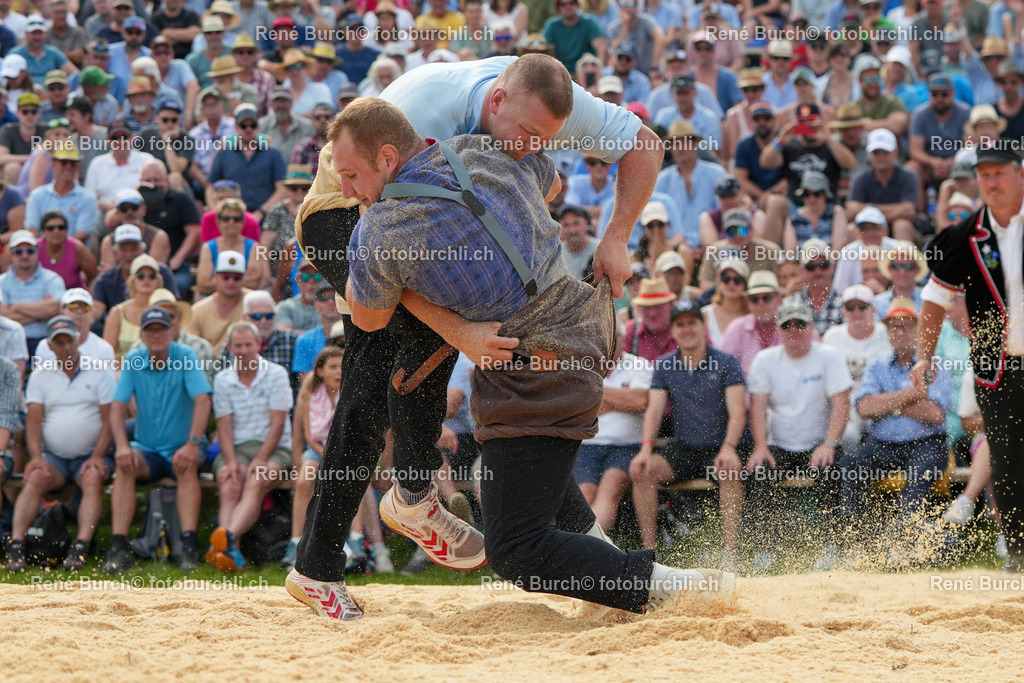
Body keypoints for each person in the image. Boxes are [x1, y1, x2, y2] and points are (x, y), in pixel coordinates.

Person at [296, 97, 731, 621]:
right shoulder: (480, 148)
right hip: (581, 335)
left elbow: (367, 321)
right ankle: (413, 501)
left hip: (533, 370)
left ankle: (686, 588)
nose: (345, 192)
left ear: (388, 158)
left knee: (518, 550)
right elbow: (550, 183)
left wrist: (407, 278)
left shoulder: (382, 230)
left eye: (349, 175)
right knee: (536, 485)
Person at [912, 143, 1024, 572]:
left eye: (999, 173)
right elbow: (935, 298)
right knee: (1008, 459)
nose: (991, 182)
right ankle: (1018, 554)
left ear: (1019, 175)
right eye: (984, 175)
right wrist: (924, 356)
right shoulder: (962, 238)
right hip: (997, 369)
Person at [630, 299, 745, 569]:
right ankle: (650, 555)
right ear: (673, 330)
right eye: (680, 324)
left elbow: (739, 412)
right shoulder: (665, 364)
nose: (687, 329)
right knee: (642, 471)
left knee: (730, 470)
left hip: (719, 447)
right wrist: (646, 448)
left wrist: (729, 448)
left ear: (702, 325)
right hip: (684, 448)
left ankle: (730, 555)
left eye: (692, 322)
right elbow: (654, 411)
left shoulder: (726, 362)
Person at [745, 298, 852, 573]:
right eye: (787, 325)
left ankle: (833, 545)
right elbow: (757, 407)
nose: (794, 330)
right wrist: (760, 447)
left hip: (819, 443)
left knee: (832, 470)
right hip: (779, 444)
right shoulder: (765, 360)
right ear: (778, 329)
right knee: (758, 471)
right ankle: (765, 548)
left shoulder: (829, 356)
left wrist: (829, 443)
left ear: (811, 326)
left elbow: (842, 402)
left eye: (800, 324)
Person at [103, 306, 212, 574]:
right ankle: (118, 546)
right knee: (125, 466)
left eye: (161, 328)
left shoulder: (185, 355)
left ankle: (188, 547)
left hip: (184, 445)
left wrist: (192, 443)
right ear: (141, 333)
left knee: (185, 466)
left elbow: (203, 399)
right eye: (150, 329)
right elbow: (116, 407)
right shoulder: (133, 359)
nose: (156, 334)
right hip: (147, 449)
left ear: (172, 331)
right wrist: (121, 447)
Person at [5, 316, 114, 572]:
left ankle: (81, 547)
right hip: (53, 457)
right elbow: (33, 422)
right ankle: (17, 545)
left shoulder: (100, 370)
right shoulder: (41, 375)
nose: (65, 346)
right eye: (59, 342)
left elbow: (111, 419)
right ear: (50, 346)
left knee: (92, 478)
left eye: (69, 340)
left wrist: (98, 455)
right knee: (34, 478)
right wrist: (37, 458)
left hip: (91, 453)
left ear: (78, 341)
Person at [850, 298, 951, 554]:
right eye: (894, 326)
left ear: (917, 328)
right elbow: (864, 409)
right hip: (882, 445)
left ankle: (919, 544)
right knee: (851, 461)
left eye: (906, 326)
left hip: (926, 445)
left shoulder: (933, 364)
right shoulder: (877, 364)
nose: (899, 331)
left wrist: (887, 401)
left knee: (913, 497)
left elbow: (936, 413)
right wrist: (913, 394)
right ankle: (858, 543)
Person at [206, 321, 293, 572]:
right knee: (228, 478)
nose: (243, 350)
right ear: (229, 347)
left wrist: (261, 458)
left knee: (257, 478)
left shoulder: (275, 374)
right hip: (237, 446)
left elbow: (278, 425)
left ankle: (225, 543)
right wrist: (232, 461)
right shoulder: (223, 379)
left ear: (258, 345)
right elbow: (224, 426)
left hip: (276, 447)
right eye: (238, 345)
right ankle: (230, 554)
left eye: (248, 344)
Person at [575, 323, 651, 532]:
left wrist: (596, 390)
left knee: (611, 485)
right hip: (587, 445)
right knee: (584, 493)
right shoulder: (583, 365)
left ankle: (590, 548)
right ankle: (580, 547)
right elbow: (578, 407)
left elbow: (639, 401)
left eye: (612, 335)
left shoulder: (640, 365)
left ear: (623, 340)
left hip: (627, 446)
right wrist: (620, 397)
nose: (606, 341)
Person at [285, 345, 346, 570]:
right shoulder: (311, 395)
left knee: (348, 479)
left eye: (342, 366)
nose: (338, 372)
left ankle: (352, 543)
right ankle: (296, 541)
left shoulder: (349, 393)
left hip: (344, 450)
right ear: (320, 371)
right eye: (332, 367)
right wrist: (321, 458)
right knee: (304, 481)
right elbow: (308, 437)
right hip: (318, 449)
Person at [0, 229, 65, 354]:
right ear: (11, 254)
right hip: (8, 342)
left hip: (45, 342)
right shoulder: (1, 281)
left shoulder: (52, 279)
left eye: (29, 251)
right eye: (19, 252)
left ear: (37, 252)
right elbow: (1, 316)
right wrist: (40, 312)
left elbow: (55, 308)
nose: (24, 256)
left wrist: (15, 306)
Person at [102, 253, 163, 359]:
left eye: (152, 276)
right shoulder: (117, 312)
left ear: (158, 281)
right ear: (132, 280)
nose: (146, 280)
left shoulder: (165, 311)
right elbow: (108, 355)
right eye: (141, 276)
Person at [185, 249, 250, 349]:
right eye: (225, 276)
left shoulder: (255, 303)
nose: (231, 282)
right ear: (215, 276)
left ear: (244, 278)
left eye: (237, 277)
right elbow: (189, 347)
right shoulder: (197, 311)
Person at [35, 287, 115, 363]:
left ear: (92, 314)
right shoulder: (45, 347)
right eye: (73, 306)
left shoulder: (104, 349)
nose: (79, 311)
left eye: (85, 307)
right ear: (62, 312)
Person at [35, 208, 96, 290]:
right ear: (43, 232)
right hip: (42, 298)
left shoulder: (77, 247)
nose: (56, 231)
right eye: (50, 228)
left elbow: (94, 276)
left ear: (66, 230)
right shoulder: (33, 248)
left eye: (61, 227)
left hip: (73, 298)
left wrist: (88, 297)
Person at [275, 258, 322, 333]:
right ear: (297, 280)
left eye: (317, 276)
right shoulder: (285, 307)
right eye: (305, 277)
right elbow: (284, 335)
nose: (311, 281)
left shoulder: (332, 306)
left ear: (324, 279)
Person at [556, 204, 596, 281]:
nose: (572, 230)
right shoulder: (555, 254)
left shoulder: (602, 249)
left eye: (576, 223)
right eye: (566, 225)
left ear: (586, 224)